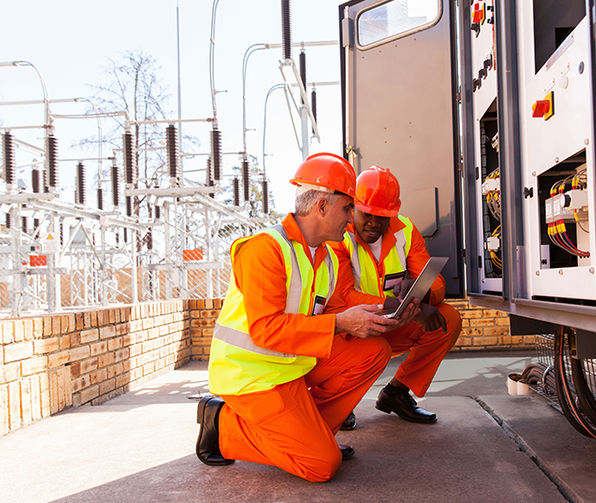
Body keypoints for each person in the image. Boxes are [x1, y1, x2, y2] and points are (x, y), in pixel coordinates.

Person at [196, 153, 419, 483]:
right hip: (252, 376)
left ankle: (312, 437)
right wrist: (342, 323)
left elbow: (328, 313)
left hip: (292, 365)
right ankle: (223, 426)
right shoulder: (264, 250)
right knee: (321, 465)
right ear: (322, 207)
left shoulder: (325, 257)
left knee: (374, 351)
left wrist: (378, 318)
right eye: (348, 208)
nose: (352, 218)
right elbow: (265, 330)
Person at [331, 166, 462, 428]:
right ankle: (338, 402)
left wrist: (419, 293)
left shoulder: (405, 229)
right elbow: (345, 297)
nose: (374, 223)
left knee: (449, 318)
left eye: (383, 216)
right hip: (351, 331)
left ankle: (396, 393)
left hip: (393, 322)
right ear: (353, 207)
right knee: (370, 348)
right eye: (367, 214)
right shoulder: (337, 235)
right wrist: (398, 304)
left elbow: (436, 281)